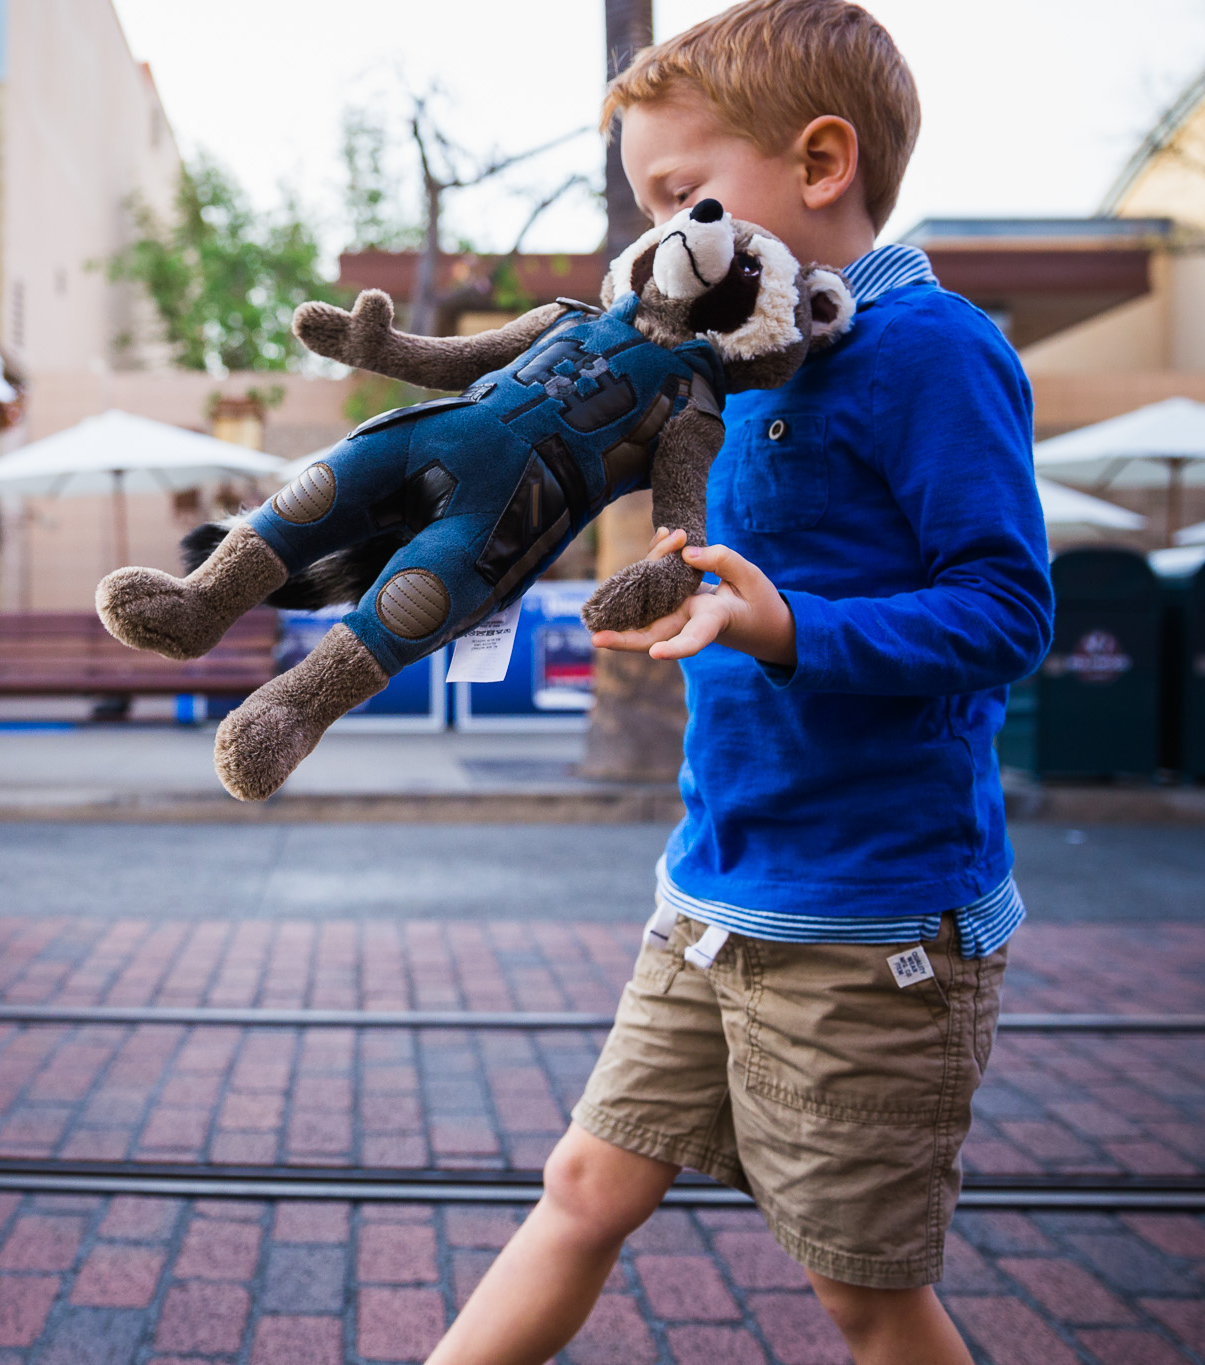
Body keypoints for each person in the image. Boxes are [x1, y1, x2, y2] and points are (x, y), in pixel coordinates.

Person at [425, 5, 1052, 1365]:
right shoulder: (744, 357)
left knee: (863, 1295)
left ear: (821, 164)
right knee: (586, 1186)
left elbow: (1006, 611)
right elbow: (751, 567)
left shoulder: (931, 350)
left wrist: (788, 628)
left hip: (869, 922)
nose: (653, 243)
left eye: (677, 197)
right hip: (710, 890)